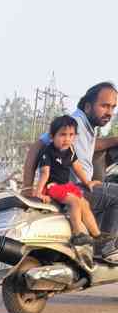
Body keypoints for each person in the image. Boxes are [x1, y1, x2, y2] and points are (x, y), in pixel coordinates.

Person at [24, 82, 118, 261]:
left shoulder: (87, 128)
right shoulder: (75, 123)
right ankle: (105, 250)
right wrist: (28, 189)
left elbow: (92, 146)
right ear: (88, 106)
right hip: (71, 188)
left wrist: (115, 141)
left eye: (113, 107)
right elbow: (37, 146)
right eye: (104, 106)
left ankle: (94, 237)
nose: (109, 112)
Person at [33, 115, 100, 259]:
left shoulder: (70, 150)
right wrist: (39, 193)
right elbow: (44, 173)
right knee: (75, 202)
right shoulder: (48, 152)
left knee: (84, 203)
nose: (67, 139)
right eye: (62, 135)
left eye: (71, 135)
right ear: (52, 136)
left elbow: (77, 167)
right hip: (52, 187)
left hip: (65, 186)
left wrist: (87, 182)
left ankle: (97, 236)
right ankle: (77, 234)